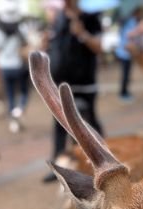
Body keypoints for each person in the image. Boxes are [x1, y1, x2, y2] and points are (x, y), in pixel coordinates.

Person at [42, 0, 104, 182]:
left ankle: (102, 163)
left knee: (89, 123)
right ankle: (60, 167)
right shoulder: (58, 19)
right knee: (60, 126)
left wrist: (82, 34)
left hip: (84, 82)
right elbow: (52, 49)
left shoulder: (91, 18)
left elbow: (98, 48)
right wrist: (45, 43)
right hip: (61, 83)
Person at [0, 6, 29, 132]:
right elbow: (26, 46)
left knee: (10, 94)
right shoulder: (21, 29)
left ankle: (13, 121)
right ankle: (19, 111)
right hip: (18, 66)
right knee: (23, 91)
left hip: (5, 66)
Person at [115, 8, 143, 101]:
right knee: (125, 74)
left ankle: (125, 91)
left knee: (127, 74)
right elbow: (129, 35)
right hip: (124, 53)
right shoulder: (129, 21)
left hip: (127, 53)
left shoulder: (131, 21)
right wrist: (139, 30)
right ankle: (123, 93)